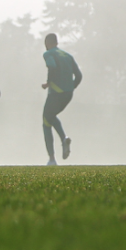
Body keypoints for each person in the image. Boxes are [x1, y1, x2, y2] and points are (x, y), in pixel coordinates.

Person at [41, 34, 82, 166]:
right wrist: (70, 88)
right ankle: (63, 140)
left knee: (46, 121)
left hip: (56, 94)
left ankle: (52, 159)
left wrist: (48, 82)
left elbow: (52, 66)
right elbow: (79, 75)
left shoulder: (48, 54)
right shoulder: (68, 56)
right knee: (51, 117)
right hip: (68, 94)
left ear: (47, 43)